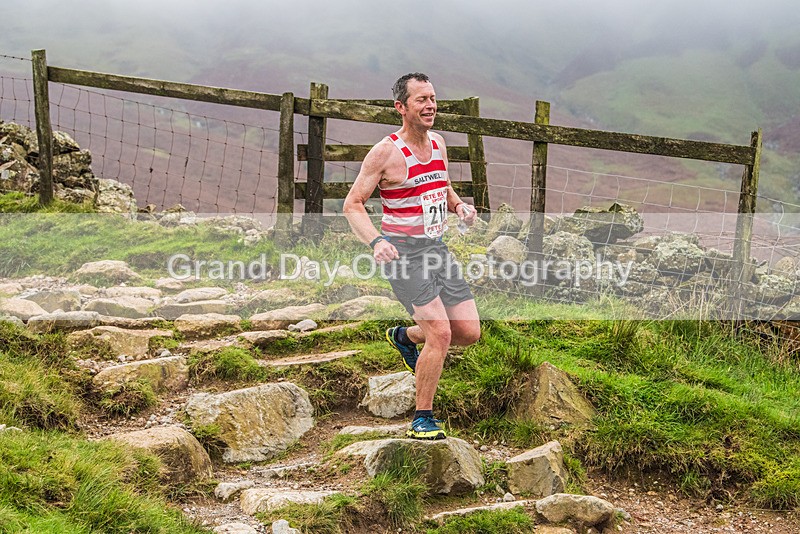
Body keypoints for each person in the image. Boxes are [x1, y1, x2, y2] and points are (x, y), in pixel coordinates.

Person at [343, 73, 481, 440]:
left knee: (468, 331)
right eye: (421, 100)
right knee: (441, 332)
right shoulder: (385, 152)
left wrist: (459, 207)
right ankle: (423, 417)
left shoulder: (438, 143)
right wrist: (376, 242)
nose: (430, 105)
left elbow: (442, 186)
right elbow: (352, 204)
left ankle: (404, 337)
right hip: (402, 255)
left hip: (436, 250)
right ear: (401, 107)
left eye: (433, 98)